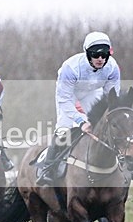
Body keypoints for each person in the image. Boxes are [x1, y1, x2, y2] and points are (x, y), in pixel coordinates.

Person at [35, 31, 121, 186]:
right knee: (64, 129)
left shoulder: (113, 68)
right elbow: (65, 101)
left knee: (102, 127)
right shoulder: (71, 68)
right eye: (95, 55)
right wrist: (81, 121)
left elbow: (111, 99)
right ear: (87, 53)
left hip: (93, 92)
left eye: (104, 55)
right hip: (69, 94)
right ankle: (48, 168)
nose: (100, 59)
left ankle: (121, 163)